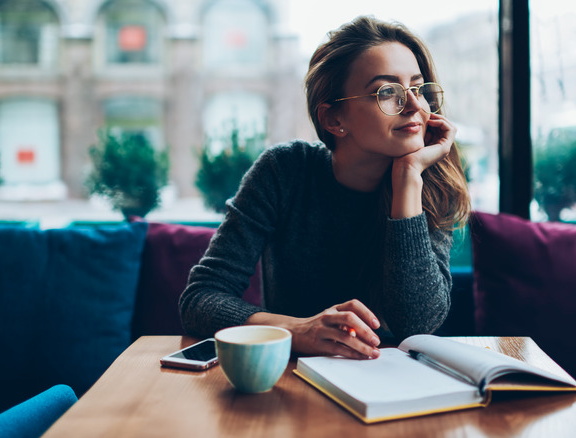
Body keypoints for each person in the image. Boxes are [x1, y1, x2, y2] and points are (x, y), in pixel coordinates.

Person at [180, 16, 470, 360]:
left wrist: (408, 178)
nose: (413, 106)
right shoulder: (284, 171)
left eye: (418, 88)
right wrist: (297, 331)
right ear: (335, 119)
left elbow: (417, 324)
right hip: (293, 380)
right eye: (387, 92)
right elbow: (200, 298)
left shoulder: (431, 181)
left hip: (395, 382)